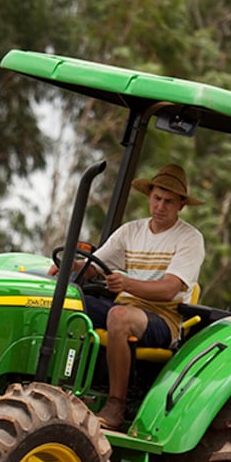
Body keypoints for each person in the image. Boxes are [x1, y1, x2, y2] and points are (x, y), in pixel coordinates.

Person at [52, 163, 205, 429]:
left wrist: (126, 283)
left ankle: (116, 405)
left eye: (169, 201)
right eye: (157, 198)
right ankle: (57, 384)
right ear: (149, 196)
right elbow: (94, 266)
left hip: (163, 317)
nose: (160, 206)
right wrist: (69, 266)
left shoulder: (189, 238)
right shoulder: (131, 231)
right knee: (64, 301)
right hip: (125, 305)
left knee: (118, 316)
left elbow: (170, 288)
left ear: (181, 205)